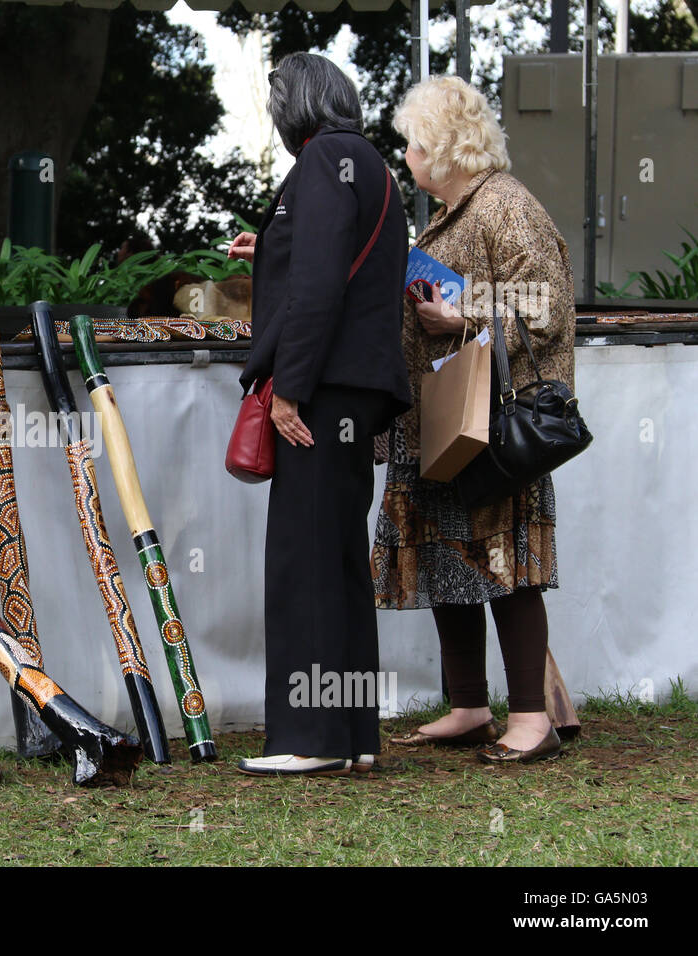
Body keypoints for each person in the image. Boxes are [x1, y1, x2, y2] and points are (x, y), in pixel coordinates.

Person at [374, 76, 576, 764]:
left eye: (412, 143)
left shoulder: (505, 206)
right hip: (447, 422)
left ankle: (532, 720)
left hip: (494, 428)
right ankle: (470, 706)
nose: (405, 155)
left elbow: (548, 305)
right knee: (446, 560)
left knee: (503, 567)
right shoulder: (453, 212)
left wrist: (463, 317)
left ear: (443, 145)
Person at [229, 52, 411, 777]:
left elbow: (317, 288)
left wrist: (290, 389)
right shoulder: (371, 166)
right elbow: (337, 266)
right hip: (357, 388)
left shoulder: (322, 161)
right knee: (340, 560)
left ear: (295, 105)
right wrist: (270, 244)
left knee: (303, 556)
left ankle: (306, 738)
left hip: (322, 386)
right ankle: (354, 735)